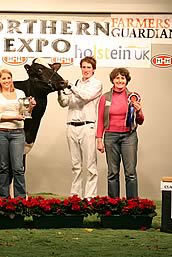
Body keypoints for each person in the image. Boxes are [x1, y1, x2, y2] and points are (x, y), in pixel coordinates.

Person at [57, 56, 102, 199]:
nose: (86, 70)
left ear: (93, 69)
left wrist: (70, 87)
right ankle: (75, 196)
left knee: (90, 165)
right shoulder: (76, 83)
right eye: (84, 67)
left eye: (89, 67)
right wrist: (59, 91)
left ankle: (90, 197)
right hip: (71, 125)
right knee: (76, 165)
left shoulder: (96, 83)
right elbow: (64, 103)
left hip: (87, 125)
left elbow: (86, 96)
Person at [96, 67, 144, 199]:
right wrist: (99, 139)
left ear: (126, 80)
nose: (120, 80)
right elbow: (100, 119)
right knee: (112, 173)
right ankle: (113, 204)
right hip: (110, 137)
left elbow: (140, 120)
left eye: (122, 78)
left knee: (130, 173)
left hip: (129, 137)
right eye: (117, 78)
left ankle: (132, 204)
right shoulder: (105, 98)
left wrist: (139, 111)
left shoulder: (133, 97)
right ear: (112, 80)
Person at [0, 69, 36, 198]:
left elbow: (25, 112)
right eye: (3, 78)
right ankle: (3, 198)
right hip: (0, 132)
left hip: (17, 133)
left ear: (12, 79)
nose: (6, 81)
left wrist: (31, 106)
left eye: (8, 78)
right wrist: (13, 118)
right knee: (3, 167)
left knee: (18, 168)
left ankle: (20, 199)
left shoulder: (20, 93)